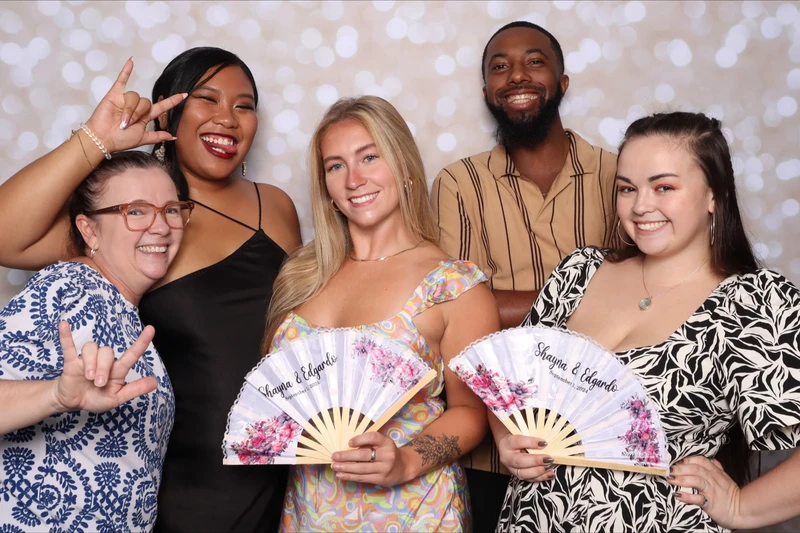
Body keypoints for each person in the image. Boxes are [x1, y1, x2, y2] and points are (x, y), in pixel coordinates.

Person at [0, 49, 302, 532]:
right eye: (208, 98)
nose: (228, 116)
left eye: (245, 106)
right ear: (169, 110)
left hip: (276, 474)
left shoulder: (278, 206)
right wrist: (96, 141)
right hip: (178, 480)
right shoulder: (129, 224)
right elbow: (4, 234)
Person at [494, 111, 800, 532]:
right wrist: (507, 442)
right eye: (627, 188)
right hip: (532, 520)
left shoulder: (755, 302)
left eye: (664, 187)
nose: (640, 206)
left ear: (715, 194)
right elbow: (505, 382)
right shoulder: (577, 273)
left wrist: (742, 507)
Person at [263, 95, 500, 532]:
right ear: (327, 188)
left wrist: (407, 461)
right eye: (335, 166)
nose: (354, 179)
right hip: (311, 510)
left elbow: (471, 413)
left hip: (415, 511)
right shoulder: (302, 276)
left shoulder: (452, 285)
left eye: (369, 157)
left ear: (404, 165)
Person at [430, 21, 618, 527]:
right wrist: (587, 295)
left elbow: (647, 297)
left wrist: (500, 303)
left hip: (603, 437)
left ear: (562, 80)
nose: (515, 75)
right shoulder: (457, 183)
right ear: (486, 89)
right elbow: (454, 311)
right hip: (491, 448)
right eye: (499, 66)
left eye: (534, 61)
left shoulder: (618, 175)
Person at [0, 148, 193, 531]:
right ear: (89, 230)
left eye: (172, 209)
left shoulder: (125, 312)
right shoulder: (69, 287)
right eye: (136, 211)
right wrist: (54, 395)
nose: (161, 226)